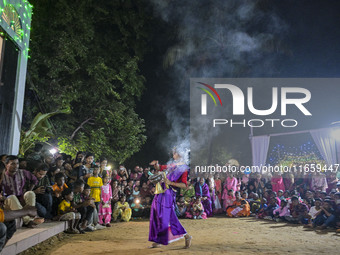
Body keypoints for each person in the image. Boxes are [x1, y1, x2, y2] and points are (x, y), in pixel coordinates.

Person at [148, 148, 192, 248]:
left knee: (167, 217)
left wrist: (171, 183)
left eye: (175, 153)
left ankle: (186, 236)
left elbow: (184, 185)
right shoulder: (173, 165)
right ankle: (159, 239)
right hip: (160, 192)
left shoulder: (184, 168)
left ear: (180, 154)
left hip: (169, 194)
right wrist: (156, 165)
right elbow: (161, 167)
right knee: (156, 213)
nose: (173, 155)